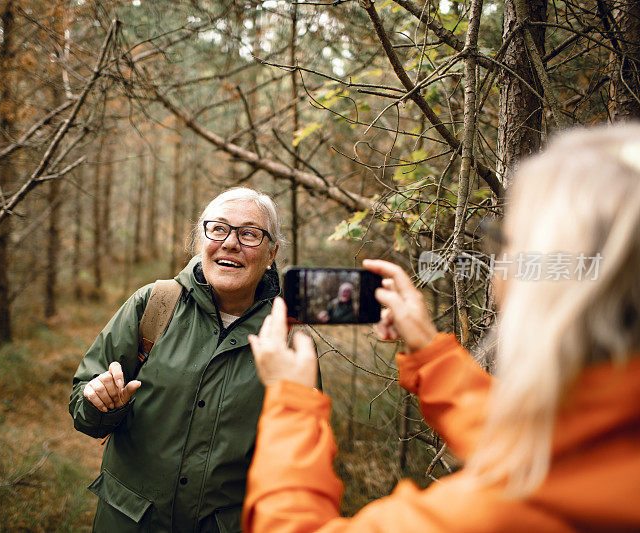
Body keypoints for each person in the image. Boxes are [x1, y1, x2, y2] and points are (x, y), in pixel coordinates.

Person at [243, 124, 640, 532]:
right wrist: (431, 354)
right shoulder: (610, 441)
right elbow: (550, 445)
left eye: (506, 243)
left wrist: (291, 400)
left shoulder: (496, 513)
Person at [69, 187, 290, 532]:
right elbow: (82, 407)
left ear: (272, 252)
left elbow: (295, 458)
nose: (230, 243)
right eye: (218, 229)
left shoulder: (287, 338)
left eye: (249, 233)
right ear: (202, 239)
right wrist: (100, 404)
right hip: (130, 521)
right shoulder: (154, 304)